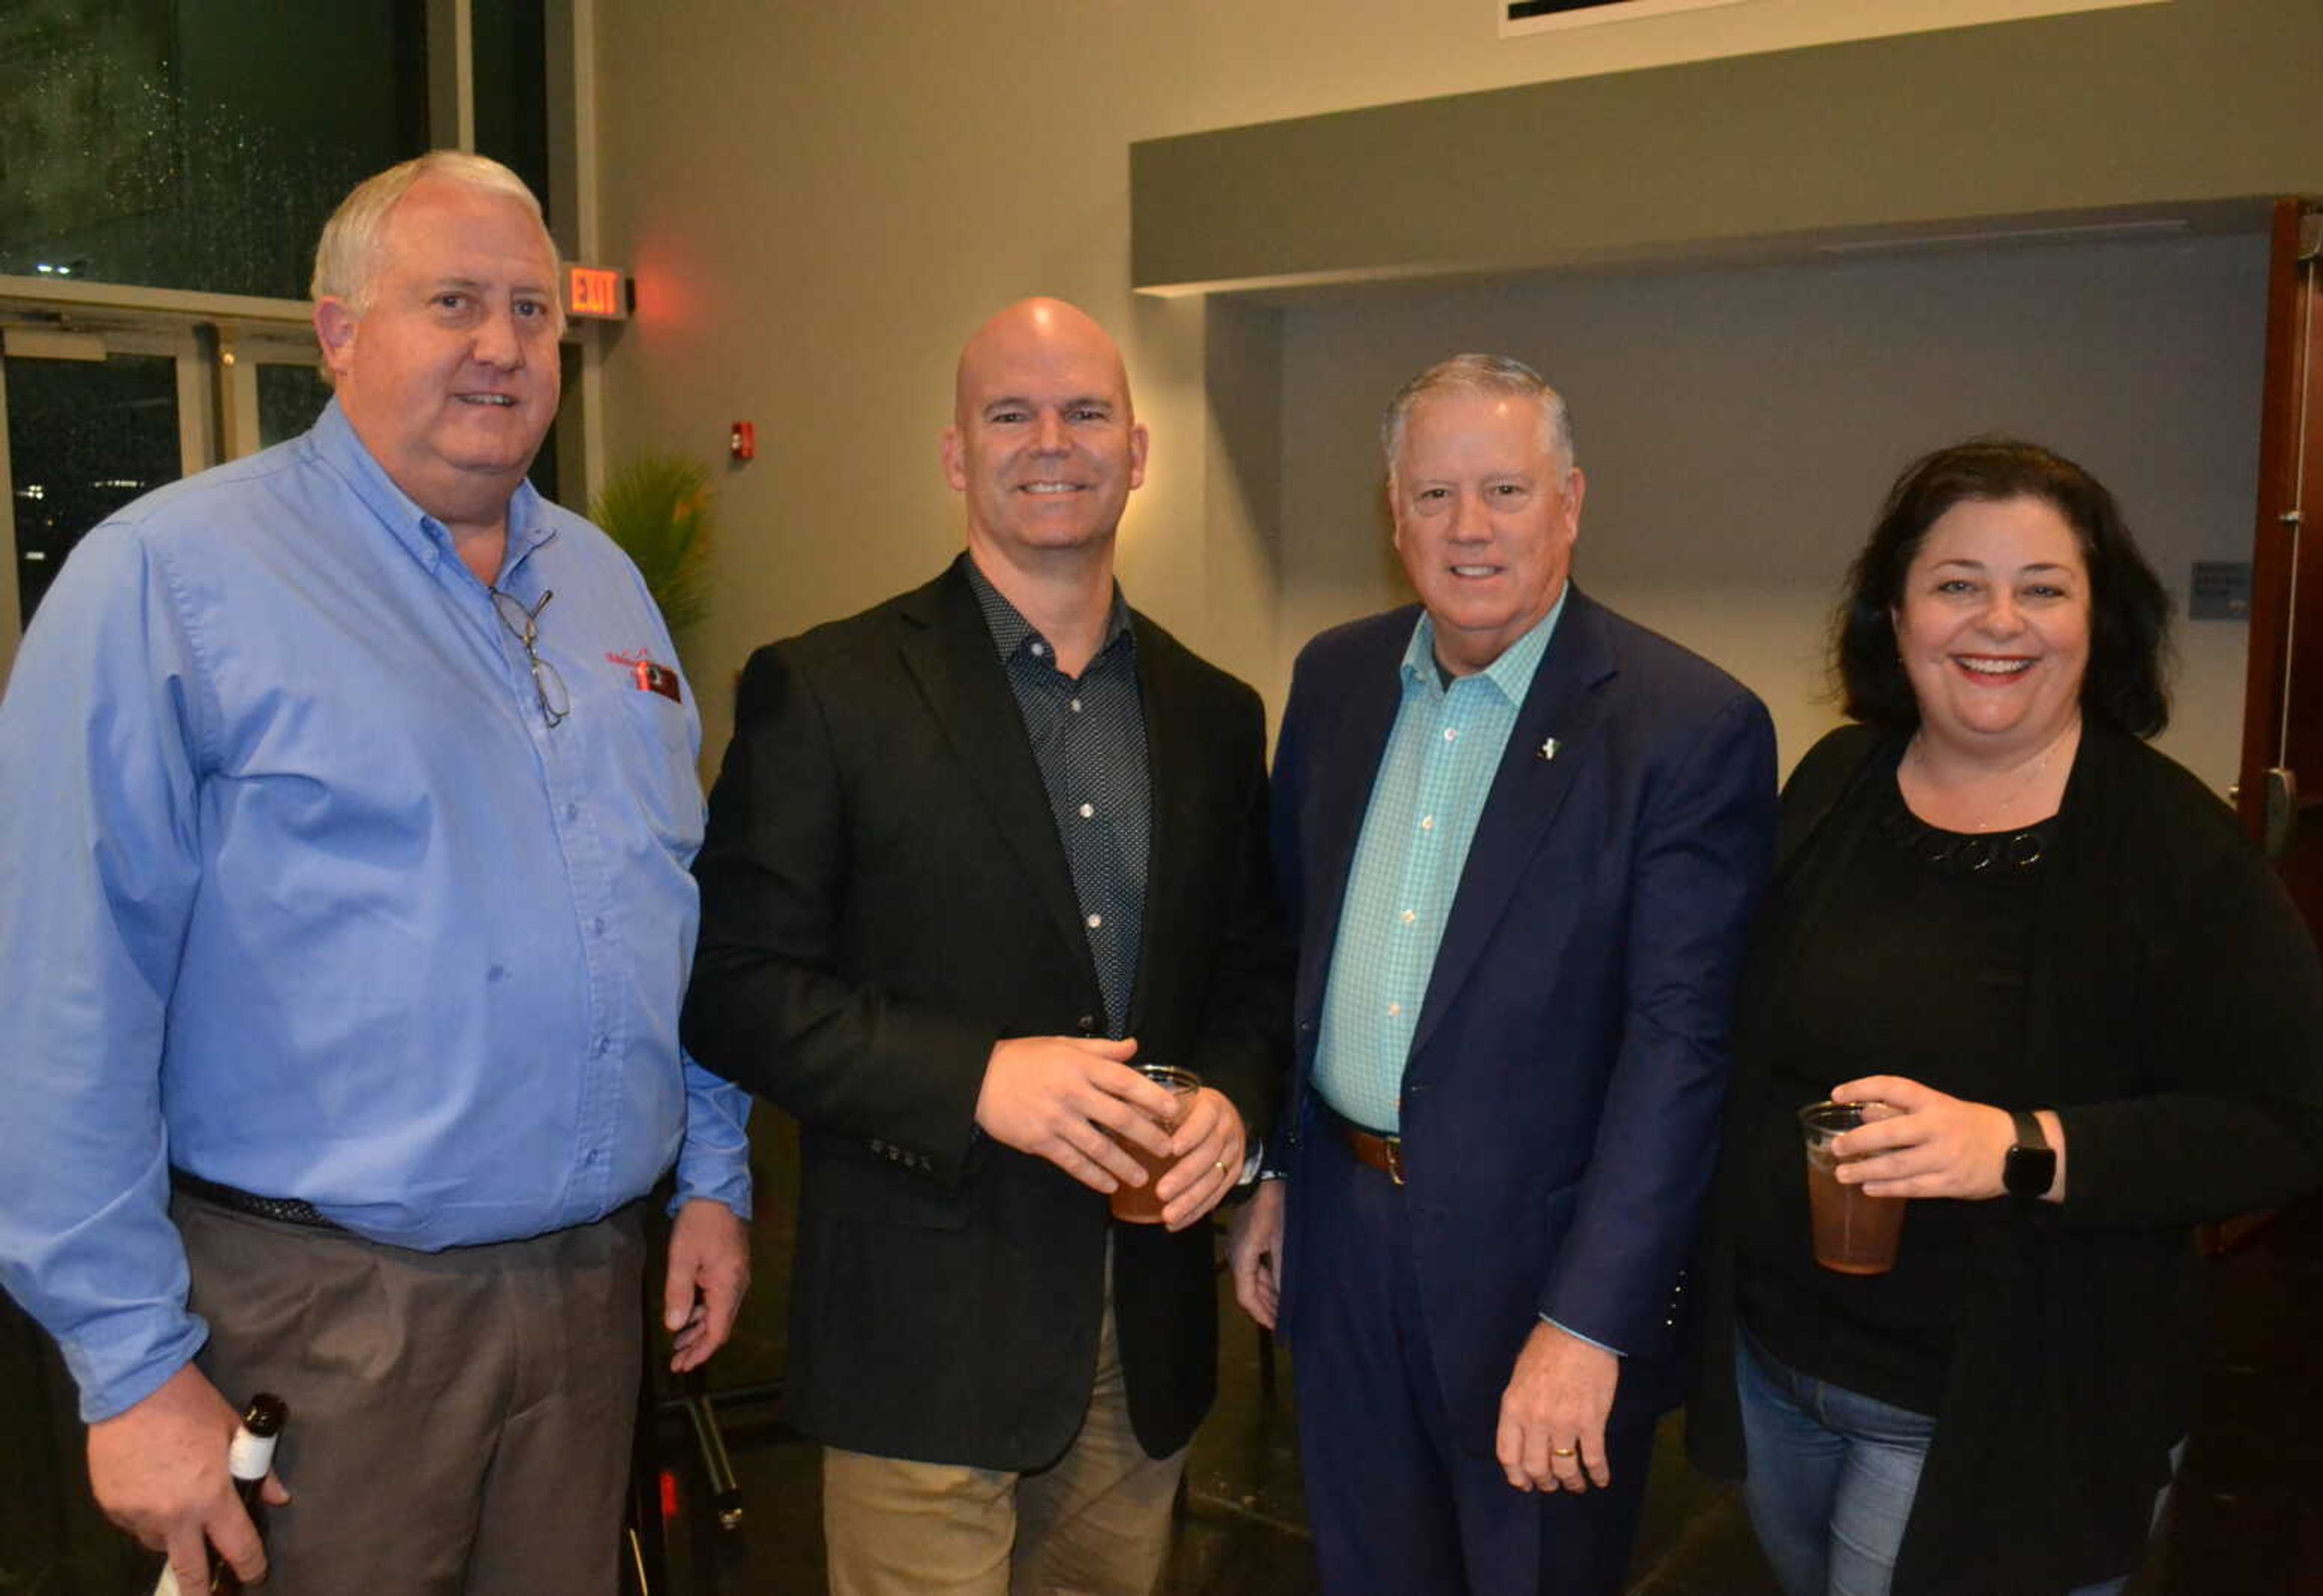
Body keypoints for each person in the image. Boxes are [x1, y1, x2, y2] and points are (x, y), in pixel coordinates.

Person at [0, 151, 753, 1595]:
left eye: (534, 310)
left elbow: (676, 907)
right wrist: (129, 1368)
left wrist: (714, 1176)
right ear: (337, 331)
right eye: (454, 301)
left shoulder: (603, 583)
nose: (503, 346)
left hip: (590, 1306)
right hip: (315, 1326)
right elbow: (60, 1001)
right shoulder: (168, 579)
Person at [681, 297, 1289, 1595]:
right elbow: (735, 992)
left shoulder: (1217, 712)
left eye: (1084, 413)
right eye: (1010, 413)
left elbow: (1250, 972)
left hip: (1146, 1328)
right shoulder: (826, 689)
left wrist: (1237, 1099)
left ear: (1139, 453)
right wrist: (977, 1080)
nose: (1049, 441)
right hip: (926, 1333)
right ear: (958, 456)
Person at [1686, 438, 2323, 1595]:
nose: (2001, 622)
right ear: (1895, 616)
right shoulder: (1836, 782)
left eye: (2043, 587)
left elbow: (2285, 1122)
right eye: (1957, 585)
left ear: (2099, 623)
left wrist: (2019, 1146)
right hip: (1778, 1368)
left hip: (2007, 1402)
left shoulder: (2172, 847)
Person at [1229, 353, 1777, 1594]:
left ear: (1571, 504)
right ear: (1394, 514)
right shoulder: (1335, 680)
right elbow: (1293, 952)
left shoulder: (1685, 728)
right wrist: (1276, 1173)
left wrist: (1590, 1326)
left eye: (1505, 492)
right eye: (1433, 496)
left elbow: (1680, 1054)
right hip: (1345, 1241)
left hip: (1542, 1277)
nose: (1467, 528)